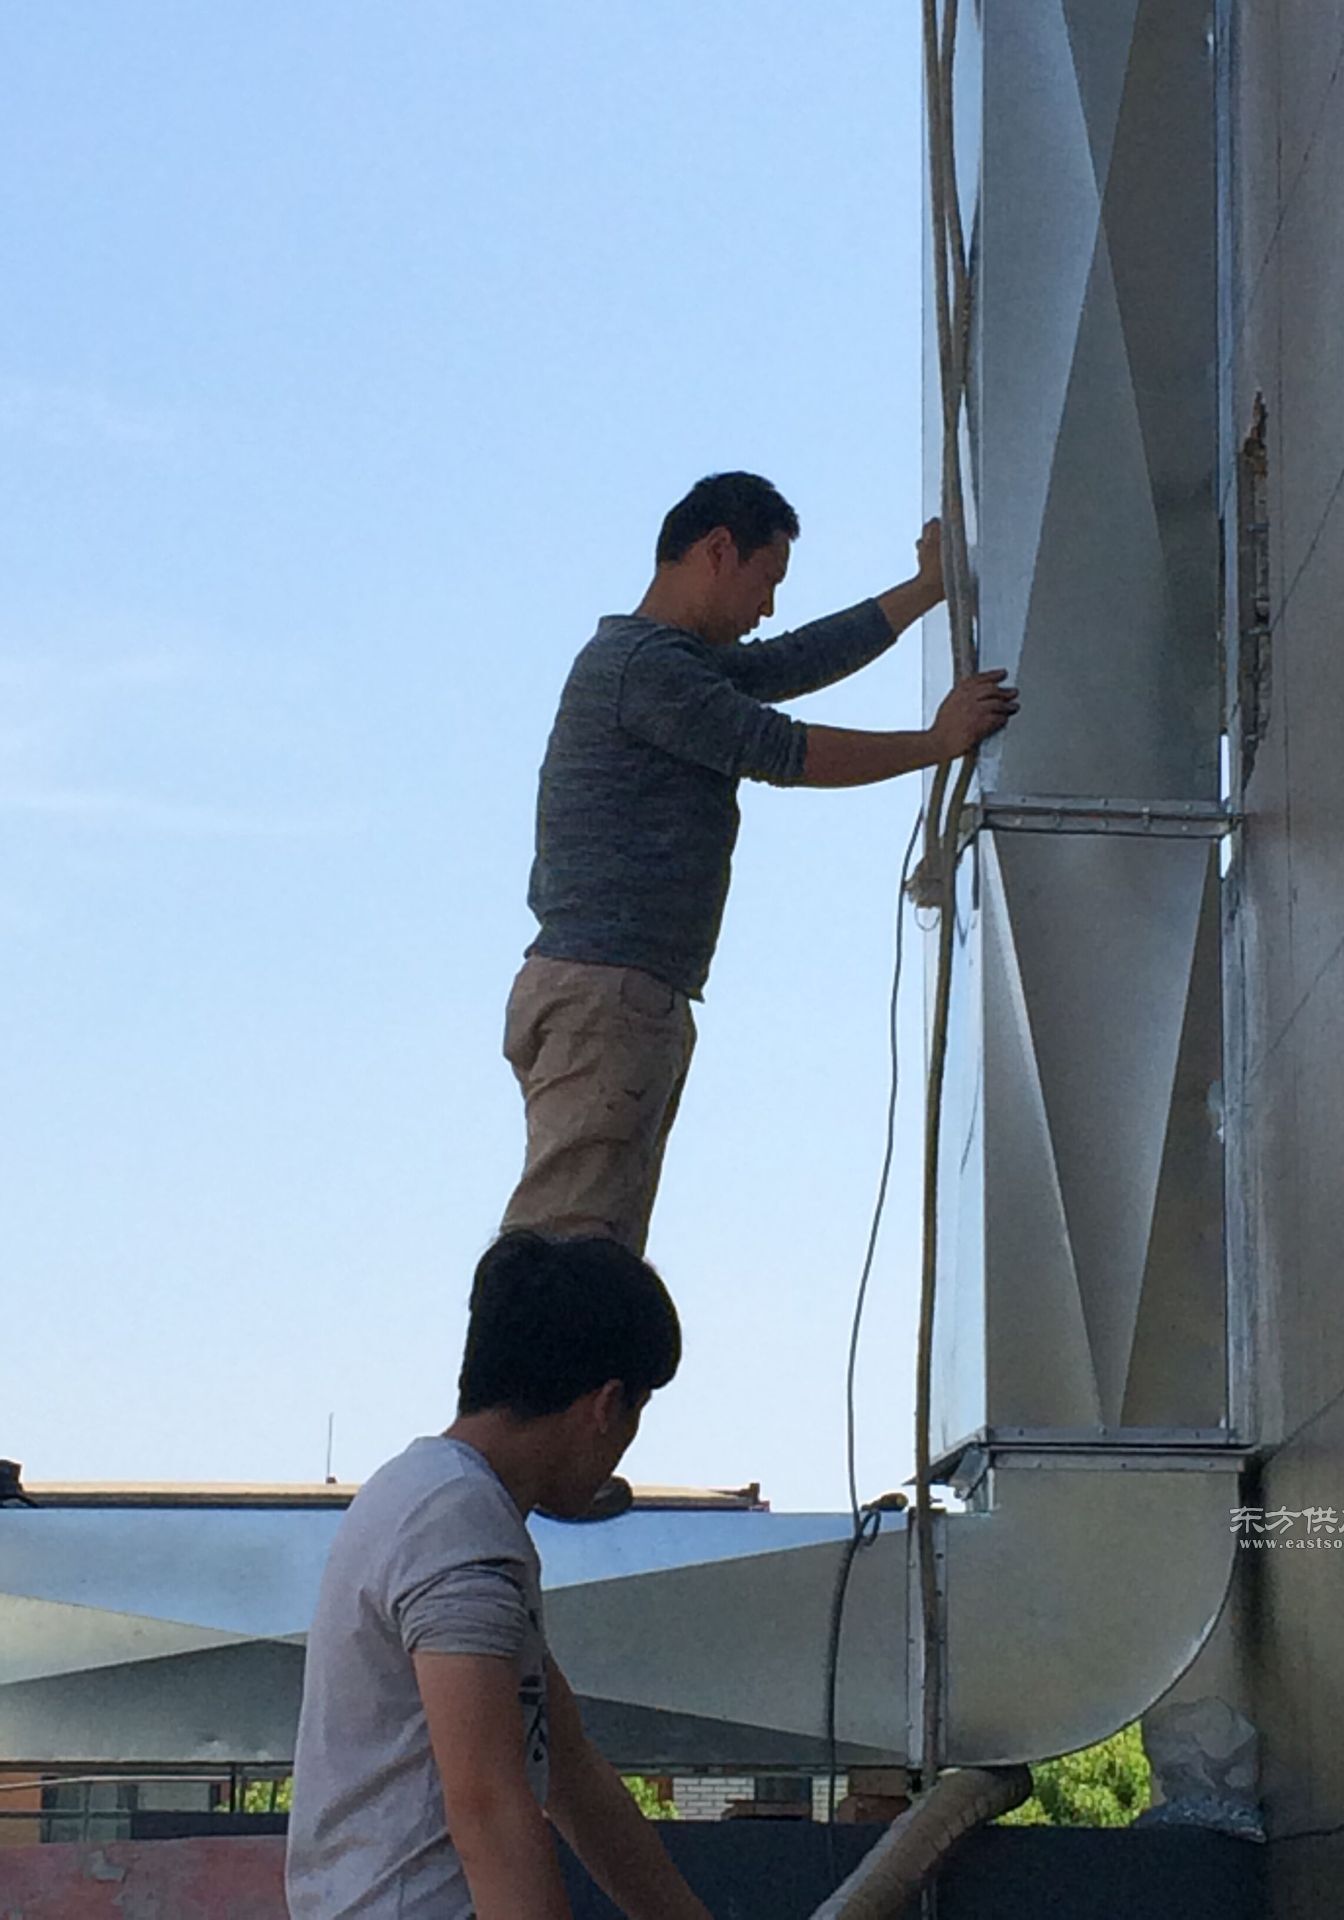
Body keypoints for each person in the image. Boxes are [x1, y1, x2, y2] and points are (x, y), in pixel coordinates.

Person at [502, 471, 1018, 1257]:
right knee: (565, 1251)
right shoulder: (643, 669)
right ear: (717, 551)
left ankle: (573, 1380)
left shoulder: (668, 661)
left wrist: (924, 590)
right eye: (766, 579)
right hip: (607, 994)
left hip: (620, 995)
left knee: (595, 1248)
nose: (766, 608)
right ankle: (528, 1382)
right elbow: (781, 747)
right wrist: (934, 744)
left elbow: (790, 662)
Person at [286, 1232, 711, 1920]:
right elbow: (487, 1807)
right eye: (638, 1412)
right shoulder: (456, 1523)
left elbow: (568, 1769)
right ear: (606, 1405)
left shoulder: (436, 1500)